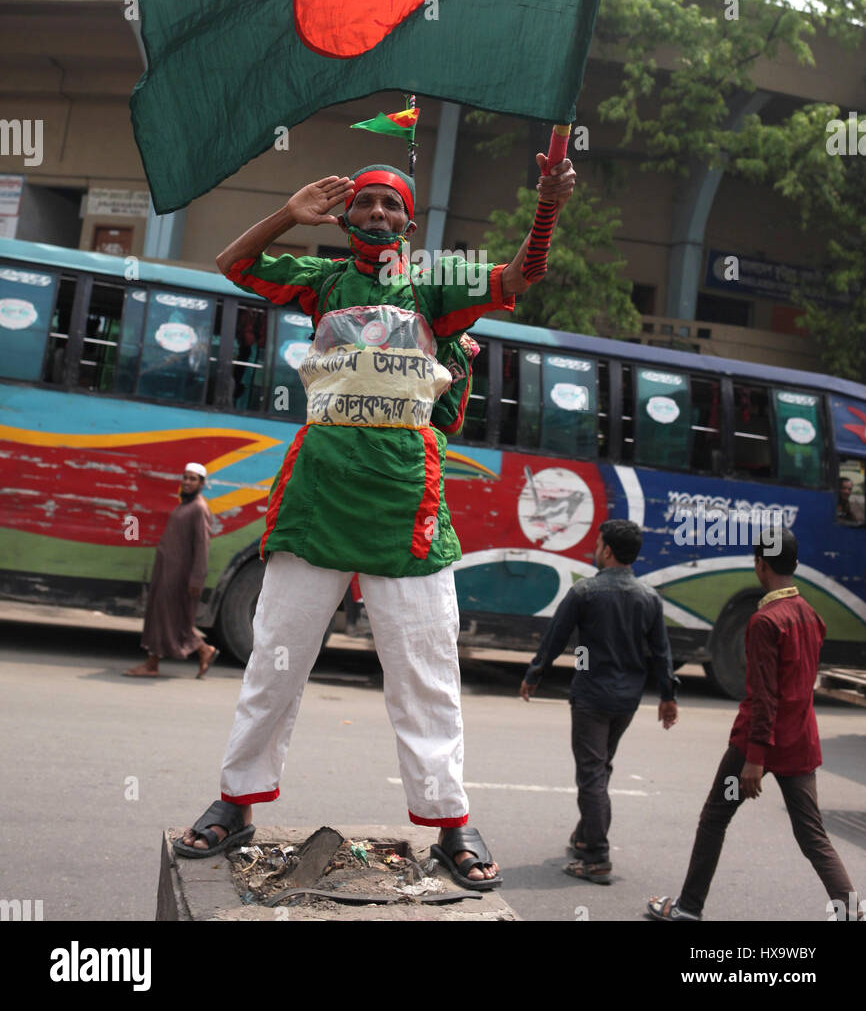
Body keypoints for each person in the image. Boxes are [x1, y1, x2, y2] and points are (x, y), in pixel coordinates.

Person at [176, 155, 576, 887]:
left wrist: (546, 208)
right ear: (346, 216)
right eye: (365, 204)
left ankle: (452, 823)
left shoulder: (434, 287)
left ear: (410, 223)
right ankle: (235, 803)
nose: (379, 216)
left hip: (406, 510)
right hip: (317, 500)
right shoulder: (321, 281)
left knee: (427, 676)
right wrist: (288, 214)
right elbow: (233, 262)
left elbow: (519, 278)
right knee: (274, 662)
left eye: (392, 207)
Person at [647, 528, 862, 922]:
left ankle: (689, 908)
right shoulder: (811, 616)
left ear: (760, 565)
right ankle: (851, 912)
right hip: (800, 744)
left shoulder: (765, 621)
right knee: (812, 834)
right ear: (794, 565)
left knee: (714, 818)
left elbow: (764, 696)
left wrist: (755, 758)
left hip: (756, 745)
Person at [519, 519, 678, 884]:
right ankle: (584, 836)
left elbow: (555, 637)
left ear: (607, 550)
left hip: (591, 697)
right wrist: (668, 696)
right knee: (600, 766)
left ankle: (597, 857)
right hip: (627, 701)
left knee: (592, 773)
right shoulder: (649, 598)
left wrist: (534, 674)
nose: (594, 547)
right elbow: (661, 654)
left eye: (597, 542)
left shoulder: (585, 592)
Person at [124, 463, 218, 679]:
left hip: (180, 576)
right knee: (168, 618)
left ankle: (152, 664)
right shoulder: (185, 505)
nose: (187, 482)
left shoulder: (198, 508)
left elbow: (203, 546)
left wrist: (197, 578)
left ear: (202, 484)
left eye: (193, 479)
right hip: (167, 572)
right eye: (185, 477)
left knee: (166, 618)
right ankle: (204, 650)